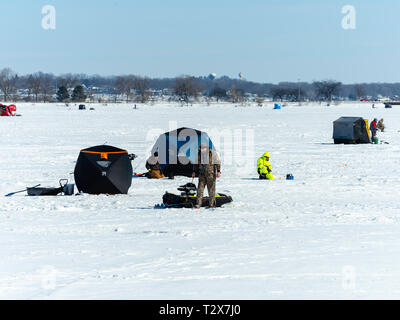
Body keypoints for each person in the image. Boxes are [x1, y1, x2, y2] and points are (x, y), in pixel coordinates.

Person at [192, 143, 221, 208]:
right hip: (202, 174)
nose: (202, 150)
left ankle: (212, 204)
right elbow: (196, 163)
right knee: (200, 190)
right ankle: (198, 204)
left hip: (211, 174)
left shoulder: (212, 153)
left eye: (203, 148)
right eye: (201, 148)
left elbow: (217, 162)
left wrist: (218, 171)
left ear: (206, 148)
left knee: (211, 190)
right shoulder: (199, 154)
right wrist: (194, 171)